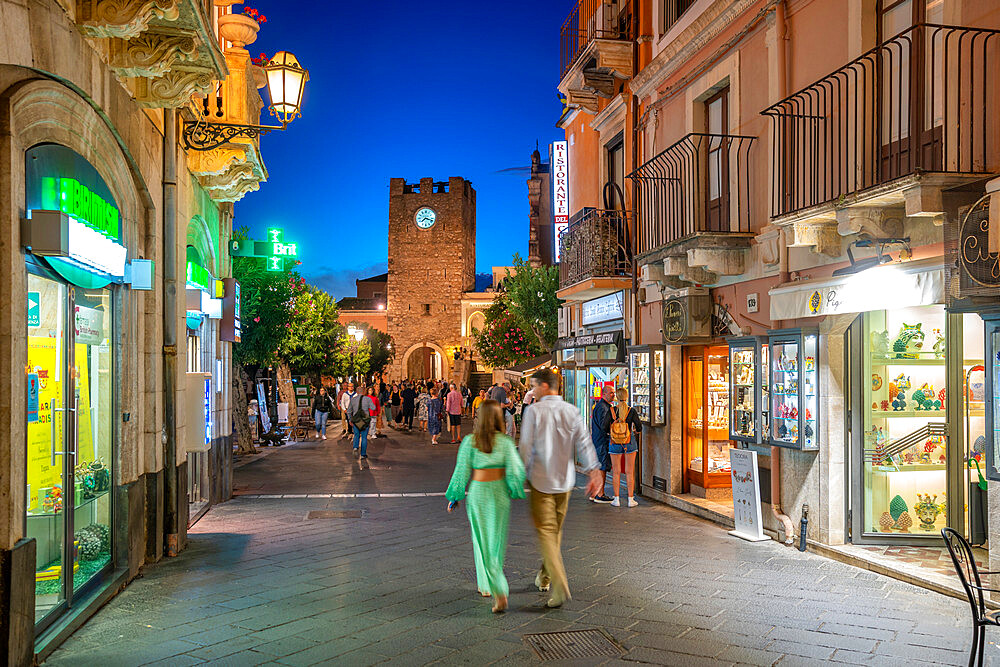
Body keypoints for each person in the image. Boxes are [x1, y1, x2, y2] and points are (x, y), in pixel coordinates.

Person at [519, 368, 602, 608]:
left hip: (541, 481)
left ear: (545, 386)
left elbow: (525, 447)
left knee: (546, 532)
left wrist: (520, 474)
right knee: (554, 532)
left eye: (535, 385)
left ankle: (559, 583)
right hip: (565, 482)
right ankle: (544, 576)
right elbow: (584, 443)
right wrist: (593, 470)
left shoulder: (534, 412)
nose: (532, 389)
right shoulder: (572, 411)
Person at [446, 400, 526, 614]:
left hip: (479, 493)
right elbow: (517, 472)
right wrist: (514, 489)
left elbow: (461, 472)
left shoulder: (470, 442)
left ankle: (494, 588)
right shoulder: (506, 443)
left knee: (480, 541)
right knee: (496, 541)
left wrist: (454, 497)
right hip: (499, 494)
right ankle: (489, 584)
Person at [610, 387, 642, 507]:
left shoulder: (612, 410)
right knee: (629, 472)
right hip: (629, 442)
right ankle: (630, 499)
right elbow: (639, 427)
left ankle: (616, 499)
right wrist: (634, 430)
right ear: (626, 397)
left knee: (616, 472)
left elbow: (604, 427)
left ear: (617, 397)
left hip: (614, 443)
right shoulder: (631, 411)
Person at [589, 386, 615, 504]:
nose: (613, 395)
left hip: (598, 440)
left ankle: (595, 493)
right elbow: (604, 425)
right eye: (611, 393)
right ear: (604, 394)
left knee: (599, 466)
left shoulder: (601, 406)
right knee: (602, 467)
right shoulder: (604, 408)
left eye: (614, 392)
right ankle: (600, 494)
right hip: (602, 441)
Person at [349, 385, 375, 459]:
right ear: (363, 392)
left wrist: (350, 419)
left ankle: (355, 447)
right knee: (364, 437)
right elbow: (373, 407)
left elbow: (348, 411)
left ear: (356, 392)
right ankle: (363, 454)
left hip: (356, 421)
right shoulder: (367, 399)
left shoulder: (353, 400)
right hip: (364, 421)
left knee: (356, 435)